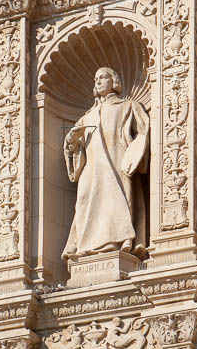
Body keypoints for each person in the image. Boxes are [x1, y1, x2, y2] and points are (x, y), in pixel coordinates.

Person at [62, 67, 149, 260]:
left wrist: (134, 155)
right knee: (85, 204)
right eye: (96, 79)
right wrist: (71, 140)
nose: (98, 82)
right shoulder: (87, 116)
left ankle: (120, 242)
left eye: (103, 77)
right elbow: (74, 150)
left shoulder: (127, 106)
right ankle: (87, 246)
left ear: (114, 81)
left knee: (118, 202)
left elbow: (143, 134)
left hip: (117, 163)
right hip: (91, 170)